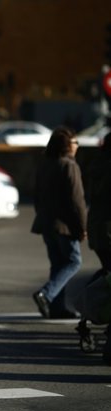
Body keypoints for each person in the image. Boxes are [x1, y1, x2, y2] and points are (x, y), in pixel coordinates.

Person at [31, 127, 86, 319]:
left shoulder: (46, 164)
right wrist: (82, 227)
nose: (77, 146)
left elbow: (36, 196)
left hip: (47, 223)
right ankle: (46, 294)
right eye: (75, 142)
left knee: (57, 264)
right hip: (65, 224)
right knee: (73, 261)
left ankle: (57, 308)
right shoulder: (69, 166)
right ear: (67, 146)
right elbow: (77, 201)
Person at [85, 131, 111, 363]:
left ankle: (87, 311)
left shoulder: (97, 165)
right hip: (108, 229)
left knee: (106, 274)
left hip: (97, 227)